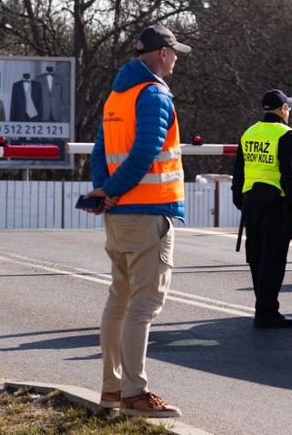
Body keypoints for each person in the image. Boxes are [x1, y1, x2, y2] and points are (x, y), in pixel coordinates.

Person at [84, 24, 190, 419]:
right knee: (144, 305)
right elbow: (146, 150)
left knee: (120, 300)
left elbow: (99, 151)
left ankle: (111, 388)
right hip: (148, 213)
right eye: (174, 51)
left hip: (119, 215)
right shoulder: (154, 94)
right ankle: (135, 392)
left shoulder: (117, 96)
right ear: (162, 53)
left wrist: (105, 191)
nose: (176, 58)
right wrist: (112, 189)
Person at [232, 88, 292, 328]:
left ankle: (264, 307)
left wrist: (241, 202)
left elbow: (238, 172)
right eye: (288, 107)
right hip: (277, 206)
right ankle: (266, 312)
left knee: (256, 258)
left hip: (252, 204)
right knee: (273, 260)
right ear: (283, 109)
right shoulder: (286, 135)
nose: (288, 111)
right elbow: (290, 175)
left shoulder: (249, 133)